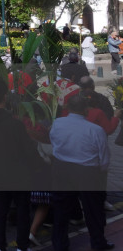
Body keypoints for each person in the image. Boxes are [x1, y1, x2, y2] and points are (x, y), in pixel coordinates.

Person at [0, 78, 41, 251]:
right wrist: (38, 164)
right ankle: (22, 245)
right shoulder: (15, 124)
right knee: (22, 212)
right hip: (19, 174)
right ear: (5, 96)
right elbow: (28, 150)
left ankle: (0, 246)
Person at [50, 95, 113, 251]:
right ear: (86, 110)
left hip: (63, 168)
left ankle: (60, 245)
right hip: (88, 172)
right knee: (94, 211)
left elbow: (54, 142)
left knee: (61, 210)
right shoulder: (95, 130)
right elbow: (104, 159)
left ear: (68, 108)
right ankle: (98, 243)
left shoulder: (57, 123)